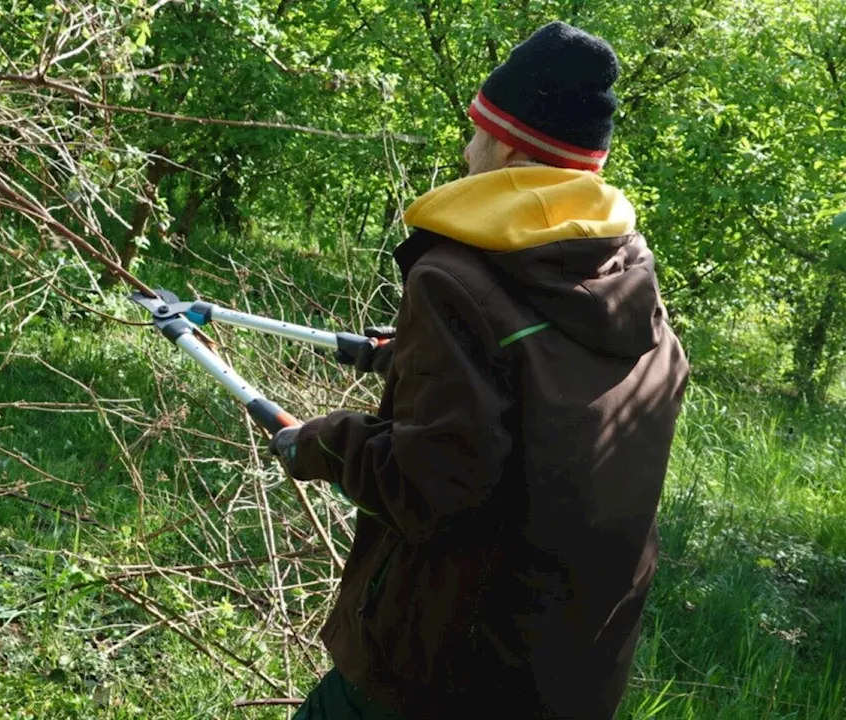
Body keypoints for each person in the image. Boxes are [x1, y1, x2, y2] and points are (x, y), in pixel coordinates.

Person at [269, 20, 689, 720]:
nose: (467, 152)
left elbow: (433, 483)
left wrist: (319, 441)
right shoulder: (630, 281)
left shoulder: (452, 281)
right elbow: (547, 390)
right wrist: (403, 356)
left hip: (439, 669)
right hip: (573, 673)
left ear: (508, 146)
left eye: (475, 133)